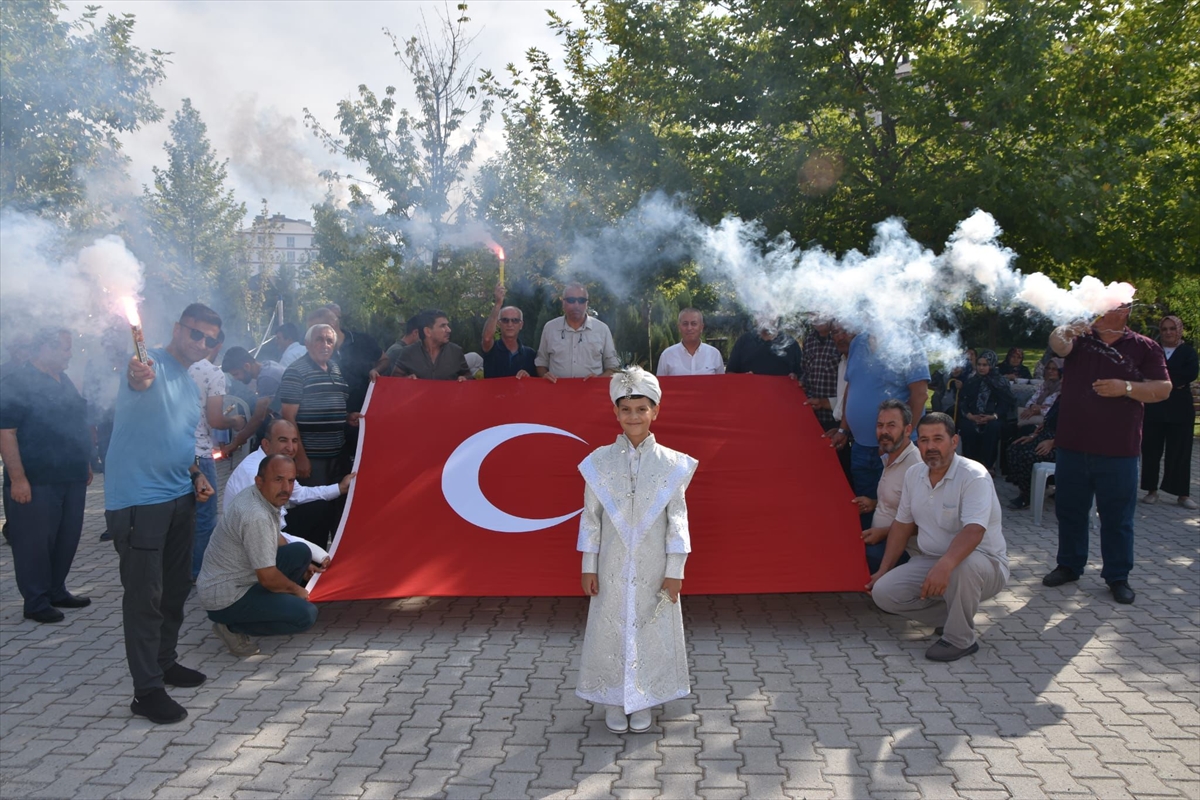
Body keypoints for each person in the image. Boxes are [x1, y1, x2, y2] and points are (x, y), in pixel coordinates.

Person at [105, 303, 220, 724]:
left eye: (210, 340)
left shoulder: (191, 385)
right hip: (139, 501)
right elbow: (139, 377)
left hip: (179, 496)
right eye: (196, 334)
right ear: (178, 328)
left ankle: (165, 662)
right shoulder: (146, 363)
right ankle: (146, 691)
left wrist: (195, 475)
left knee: (175, 590)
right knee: (144, 598)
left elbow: (178, 439)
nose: (202, 344)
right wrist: (139, 373)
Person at [577, 367, 697, 734]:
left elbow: (678, 519)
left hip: (653, 565)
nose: (634, 417)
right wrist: (589, 565)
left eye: (641, 409)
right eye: (626, 409)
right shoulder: (599, 462)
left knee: (650, 626)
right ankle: (614, 697)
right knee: (611, 625)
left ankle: (644, 697)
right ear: (615, 413)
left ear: (655, 411)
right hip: (612, 563)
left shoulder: (673, 463)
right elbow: (591, 517)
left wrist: (675, 570)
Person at [1041, 303, 1171, 605]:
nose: (1100, 309)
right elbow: (1057, 345)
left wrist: (1125, 387)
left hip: (1119, 449)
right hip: (1073, 445)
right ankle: (1069, 565)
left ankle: (1117, 576)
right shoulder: (1079, 339)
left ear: (1124, 313)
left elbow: (1163, 388)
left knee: (1117, 518)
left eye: (1111, 305)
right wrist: (1064, 329)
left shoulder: (1145, 346)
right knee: (1070, 511)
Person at [868, 413, 1009, 662]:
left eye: (938, 439)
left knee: (960, 567)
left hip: (982, 564)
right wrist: (883, 570)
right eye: (924, 440)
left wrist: (944, 565)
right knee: (884, 593)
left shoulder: (973, 475)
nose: (930, 447)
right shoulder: (914, 474)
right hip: (929, 559)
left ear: (954, 441)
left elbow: (974, 530)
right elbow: (902, 525)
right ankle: (952, 618)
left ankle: (959, 639)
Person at [0, 329, 92, 623]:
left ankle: (56, 589)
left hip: (71, 473)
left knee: (66, 537)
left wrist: (86, 461)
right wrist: (17, 478)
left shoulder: (63, 379)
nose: (70, 355)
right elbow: (6, 432)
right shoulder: (17, 382)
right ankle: (36, 600)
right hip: (36, 478)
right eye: (65, 349)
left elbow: (75, 421)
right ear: (45, 349)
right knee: (34, 542)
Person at [198, 454, 324, 657]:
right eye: (278, 479)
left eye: (291, 480)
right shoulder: (256, 516)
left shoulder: (259, 496)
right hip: (226, 597)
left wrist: (306, 565)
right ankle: (231, 627)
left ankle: (269, 606)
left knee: (300, 552)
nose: (286, 487)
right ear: (259, 481)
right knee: (305, 615)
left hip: (242, 578)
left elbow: (276, 539)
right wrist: (297, 591)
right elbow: (268, 577)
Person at [830, 332, 930, 527]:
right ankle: (869, 554)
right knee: (864, 509)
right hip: (860, 447)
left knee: (897, 509)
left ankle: (895, 556)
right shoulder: (858, 342)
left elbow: (920, 395)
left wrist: (898, 441)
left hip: (896, 450)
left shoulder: (908, 341)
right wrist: (843, 429)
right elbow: (852, 385)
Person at [278, 323, 359, 548]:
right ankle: (307, 568)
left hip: (337, 458)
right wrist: (300, 457)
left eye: (329, 341)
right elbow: (288, 419)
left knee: (335, 514)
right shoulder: (296, 372)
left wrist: (347, 417)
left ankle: (326, 565)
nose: (324, 344)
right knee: (312, 515)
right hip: (312, 459)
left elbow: (334, 406)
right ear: (307, 343)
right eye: (319, 339)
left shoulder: (334, 368)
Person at [223, 418, 353, 554]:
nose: (290, 448)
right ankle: (306, 566)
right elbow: (265, 533)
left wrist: (339, 488)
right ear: (266, 444)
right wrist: (315, 555)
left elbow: (300, 493)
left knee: (319, 508)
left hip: (269, 529)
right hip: (248, 545)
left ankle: (309, 567)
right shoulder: (254, 473)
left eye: (295, 441)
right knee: (303, 551)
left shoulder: (274, 462)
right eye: (283, 440)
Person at [188, 329, 246, 578]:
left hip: (175, 452)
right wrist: (234, 421)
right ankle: (199, 570)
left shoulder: (180, 368)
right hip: (200, 453)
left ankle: (179, 569)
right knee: (204, 516)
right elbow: (214, 419)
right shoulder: (213, 373)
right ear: (219, 344)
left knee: (183, 515)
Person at [853, 400, 921, 574]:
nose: (884, 432)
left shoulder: (916, 467)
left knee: (852, 556)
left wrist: (883, 533)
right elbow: (898, 500)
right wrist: (874, 503)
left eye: (891, 426)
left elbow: (926, 524)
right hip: (882, 539)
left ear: (907, 430)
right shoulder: (888, 457)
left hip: (904, 550)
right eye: (880, 425)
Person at [1141, 315, 1198, 509]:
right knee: (1151, 449)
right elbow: (1145, 372)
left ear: (1178, 330)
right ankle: (1151, 490)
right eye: (1164, 329)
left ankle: (1182, 494)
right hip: (1154, 406)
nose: (1168, 332)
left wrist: (1161, 381)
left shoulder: (1188, 352)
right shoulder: (1153, 350)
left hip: (1180, 408)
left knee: (1180, 451)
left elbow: (1189, 374)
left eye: (1172, 328)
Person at [536, 283, 620, 382]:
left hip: (590, 394)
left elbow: (613, 367)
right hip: (557, 392)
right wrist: (545, 376)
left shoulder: (602, 329)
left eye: (581, 300)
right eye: (571, 300)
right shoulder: (550, 328)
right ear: (563, 302)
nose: (576, 305)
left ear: (587, 303)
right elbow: (541, 363)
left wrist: (598, 380)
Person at [219, 346, 284, 456]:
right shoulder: (267, 366)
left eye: (236, 374)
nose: (235, 378)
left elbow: (259, 417)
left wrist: (236, 442)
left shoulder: (266, 377)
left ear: (247, 366)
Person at [957, 350, 1016, 470]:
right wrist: (970, 416)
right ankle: (969, 464)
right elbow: (963, 401)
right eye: (979, 365)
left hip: (993, 417)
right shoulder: (972, 380)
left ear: (992, 365)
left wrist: (993, 416)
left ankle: (988, 464)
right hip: (973, 416)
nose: (981, 368)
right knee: (967, 427)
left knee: (993, 428)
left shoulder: (1000, 381)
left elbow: (1005, 403)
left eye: (985, 365)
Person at [1006, 397, 1060, 510]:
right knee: (1014, 448)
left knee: (1029, 455)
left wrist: (1053, 442)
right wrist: (1033, 436)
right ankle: (1026, 490)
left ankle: (1028, 496)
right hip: (1045, 437)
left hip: (1062, 444)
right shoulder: (1061, 398)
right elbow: (1048, 422)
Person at [393, 309, 471, 381]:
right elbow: (393, 380)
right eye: (442, 326)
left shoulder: (455, 352)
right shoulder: (408, 352)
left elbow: (469, 376)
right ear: (428, 331)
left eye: (447, 325)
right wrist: (406, 379)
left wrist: (465, 378)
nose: (449, 330)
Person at [480, 284, 537, 379]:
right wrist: (498, 304)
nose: (510, 324)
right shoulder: (491, 349)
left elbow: (536, 384)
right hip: (493, 394)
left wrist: (528, 377)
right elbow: (486, 338)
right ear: (499, 324)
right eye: (505, 320)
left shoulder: (530, 354)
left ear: (521, 325)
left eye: (515, 320)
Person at [726, 317, 803, 381]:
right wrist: (743, 377)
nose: (765, 316)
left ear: (777, 316)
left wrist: (795, 377)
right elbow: (729, 373)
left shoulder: (790, 343)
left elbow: (802, 376)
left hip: (781, 396)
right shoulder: (744, 341)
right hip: (749, 396)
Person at [656, 308, 725, 376]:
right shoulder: (667, 355)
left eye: (694, 324)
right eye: (685, 324)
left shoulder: (714, 354)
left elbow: (722, 384)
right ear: (679, 327)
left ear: (701, 327)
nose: (689, 328)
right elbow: (659, 385)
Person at [800, 320, 837, 429]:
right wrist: (798, 381)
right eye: (813, 313)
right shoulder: (809, 340)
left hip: (835, 417)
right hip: (811, 415)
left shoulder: (840, 339)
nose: (817, 318)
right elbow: (804, 372)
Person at [1016, 358, 1062, 431]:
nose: (1050, 371)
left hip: (1052, 423)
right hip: (1036, 418)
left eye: (1054, 369)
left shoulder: (1063, 389)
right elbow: (1029, 402)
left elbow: (1059, 410)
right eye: (1048, 368)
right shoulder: (1045, 385)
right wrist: (1033, 406)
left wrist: (1040, 410)